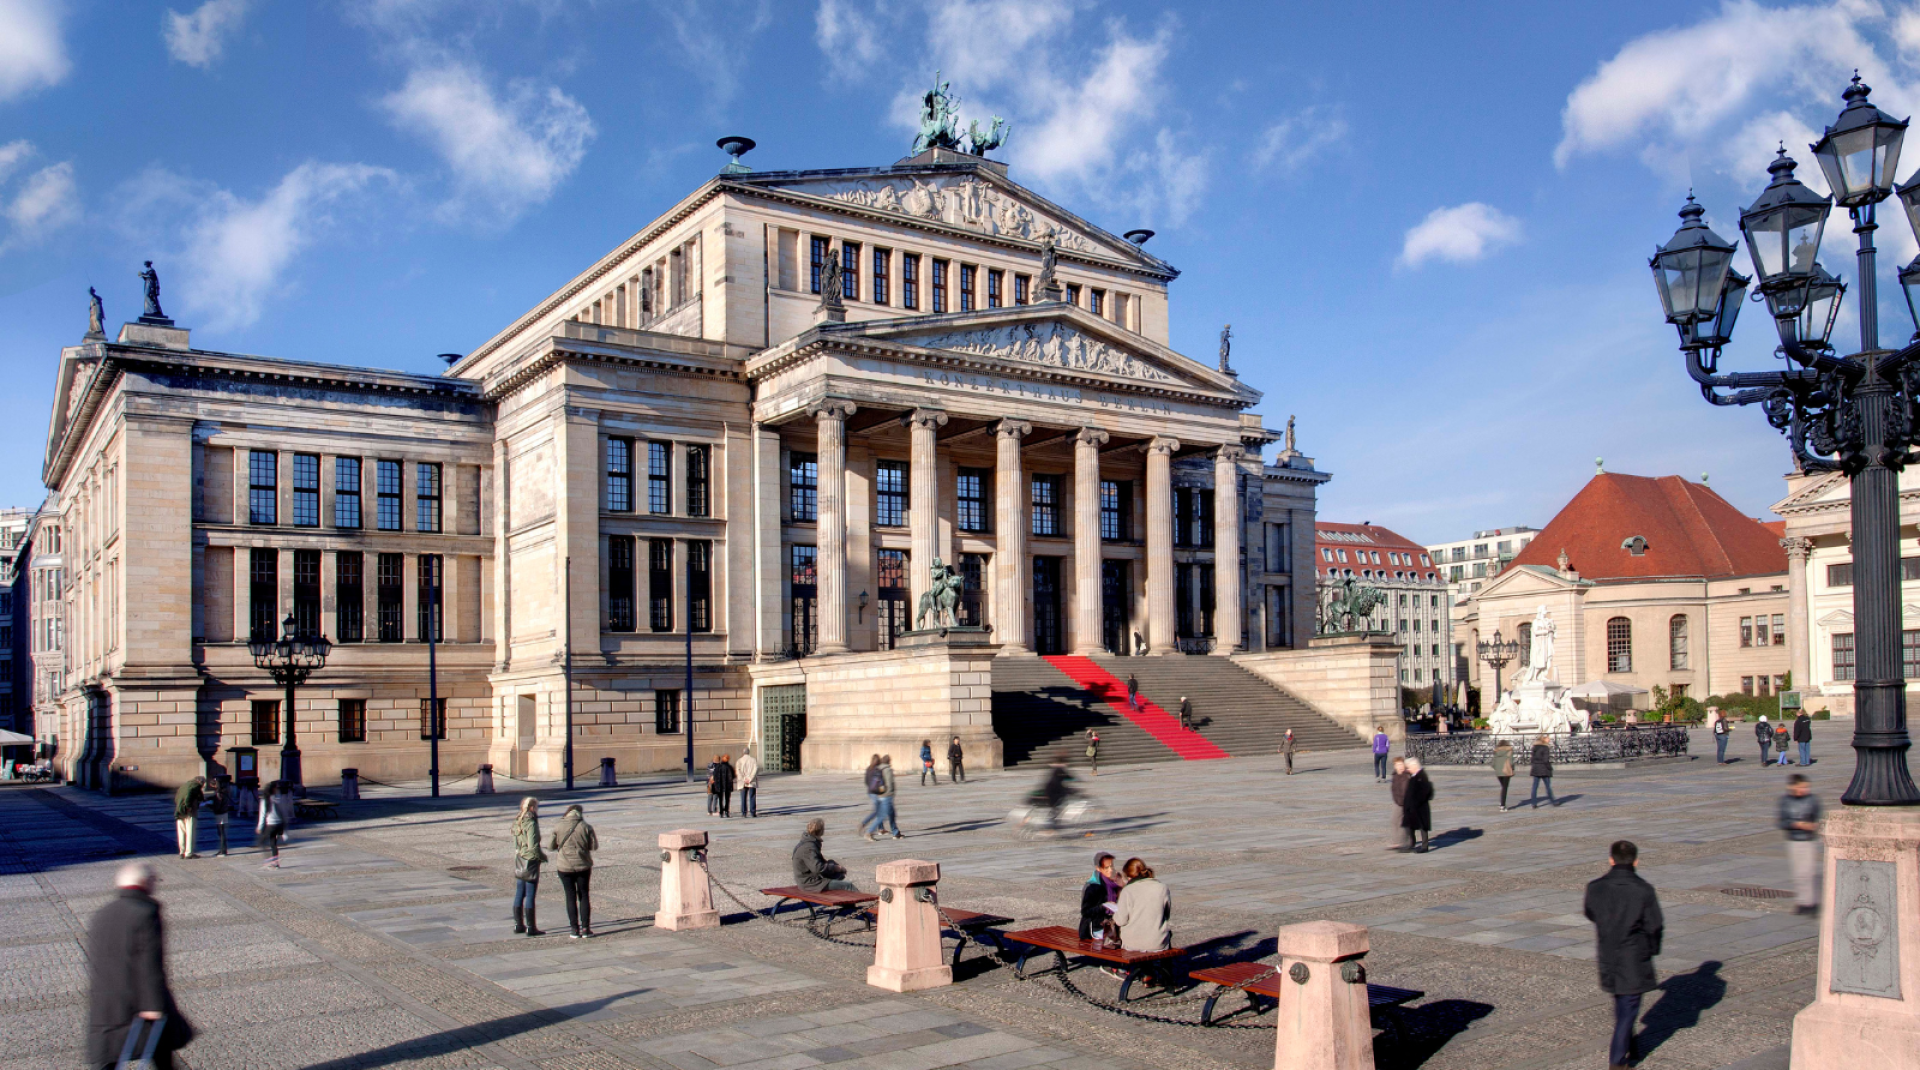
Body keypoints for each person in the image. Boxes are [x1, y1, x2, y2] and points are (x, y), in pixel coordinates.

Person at [86, 862, 194, 1070]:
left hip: (107, 1003)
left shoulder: (102, 914)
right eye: (154, 880)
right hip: (139, 1003)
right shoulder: (145, 912)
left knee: (109, 1057)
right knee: (160, 1053)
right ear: (145, 882)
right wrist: (153, 1005)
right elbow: (149, 963)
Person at [1584, 840, 1664, 1070]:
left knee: (1622, 1001)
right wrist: (1652, 949)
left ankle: (1630, 1043)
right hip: (1633, 955)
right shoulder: (1643, 890)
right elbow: (1655, 925)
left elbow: (1591, 912)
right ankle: (1617, 1061)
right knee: (1627, 1005)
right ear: (1636, 861)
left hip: (1608, 952)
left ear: (1611, 859)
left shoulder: (1595, 886)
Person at [547, 803, 598, 938]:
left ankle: (574, 929)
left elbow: (550, 846)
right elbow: (594, 846)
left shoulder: (558, 826)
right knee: (584, 895)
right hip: (583, 866)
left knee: (570, 896)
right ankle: (586, 928)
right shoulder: (586, 827)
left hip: (564, 866)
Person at [1779, 774, 1822, 915]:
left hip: (1808, 839)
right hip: (1794, 839)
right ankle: (1802, 902)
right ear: (1792, 787)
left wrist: (1813, 825)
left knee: (1808, 872)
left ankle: (1810, 902)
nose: (1804, 790)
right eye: (1801, 787)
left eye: (1806, 787)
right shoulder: (1786, 801)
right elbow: (1782, 821)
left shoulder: (1812, 800)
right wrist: (1797, 824)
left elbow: (1818, 818)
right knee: (1798, 873)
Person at [1112, 858, 1172, 951]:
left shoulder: (1127, 890)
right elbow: (1166, 914)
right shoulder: (1162, 887)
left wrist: (1114, 915)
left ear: (1128, 876)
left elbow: (1121, 921)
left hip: (1132, 944)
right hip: (1158, 942)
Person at [512, 797, 546, 936]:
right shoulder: (531, 822)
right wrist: (542, 858)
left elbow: (515, 844)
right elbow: (533, 846)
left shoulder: (517, 820)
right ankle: (531, 927)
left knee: (520, 892)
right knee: (531, 893)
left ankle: (519, 924)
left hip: (519, 858)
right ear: (532, 807)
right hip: (530, 860)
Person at [793, 818, 856, 892]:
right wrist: (836, 868)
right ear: (821, 831)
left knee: (835, 870)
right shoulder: (808, 847)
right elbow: (818, 868)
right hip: (810, 883)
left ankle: (844, 901)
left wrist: (833, 866)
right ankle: (861, 900)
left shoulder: (808, 841)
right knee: (848, 885)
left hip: (808, 880)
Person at [1078, 852, 1122, 942]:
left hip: (1111, 924)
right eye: (1106, 867)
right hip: (1095, 927)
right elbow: (1085, 912)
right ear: (1098, 868)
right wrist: (1103, 907)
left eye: (1111, 866)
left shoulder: (1114, 883)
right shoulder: (1093, 886)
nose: (1110, 870)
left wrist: (1121, 885)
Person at [1400, 757, 1434, 853]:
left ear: (1414, 766)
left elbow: (1425, 791)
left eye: (1409, 767)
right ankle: (1412, 843)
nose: (1408, 770)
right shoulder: (1414, 776)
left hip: (1420, 807)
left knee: (1423, 827)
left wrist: (1416, 802)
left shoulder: (1421, 776)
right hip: (1411, 807)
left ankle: (1424, 846)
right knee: (1409, 825)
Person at [172, 776, 204, 859]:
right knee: (190, 833)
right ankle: (189, 853)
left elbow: (176, 798)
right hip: (189, 812)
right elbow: (190, 795)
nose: (203, 786)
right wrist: (188, 806)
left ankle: (182, 852)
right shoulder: (195, 786)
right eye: (203, 784)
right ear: (200, 782)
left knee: (181, 832)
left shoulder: (184, 785)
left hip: (179, 811)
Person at [256, 781, 286, 868]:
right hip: (279, 824)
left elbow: (262, 815)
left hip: (271, 824)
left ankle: (270, 859)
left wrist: (260, 827)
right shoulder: (277, 799)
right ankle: (275, 862)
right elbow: (283, 812)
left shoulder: (265, 800)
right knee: (273, 843)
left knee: (262, 842)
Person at [871, 755, 902, 840]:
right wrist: (890, 794)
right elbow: (889, 783)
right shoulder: (887, 769)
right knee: (890, 814)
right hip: (886, 795)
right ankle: (895, 833)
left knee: (882, 813)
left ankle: (881, 829)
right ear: (889, 761)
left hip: (878, 794)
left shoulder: (877, 768)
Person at [858, 754, 887, 840]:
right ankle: (865, 824)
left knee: (878, 811)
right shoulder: (878, 770)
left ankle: (880, 829)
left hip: (870, 792)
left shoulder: (868, 769)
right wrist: (882, 792)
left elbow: (866, 781)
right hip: (877, 793)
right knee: (878, 812)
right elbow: (881, 783)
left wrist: (870, 788)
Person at [1388, 757, 1411, 850]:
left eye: (1401, 764)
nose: (1400, 767)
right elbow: (1393, 789)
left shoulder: (1407, 776)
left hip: (1405, 802)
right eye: (1398, 765)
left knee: (1403, 822)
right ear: (1395, 766)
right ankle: (1395, 841)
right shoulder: (1395, 775)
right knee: (1394, 820)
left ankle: (1404, 841)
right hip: (1397, 801)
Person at [206, 776, 232, 857]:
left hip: (220, 813)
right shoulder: (224, 791)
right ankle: (223, 849)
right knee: (222, 832)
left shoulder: (219, 793)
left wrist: (210, 806)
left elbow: (217, 805)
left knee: (221, 832)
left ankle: (223, 850)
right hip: (224, 812)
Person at [1529, 735, 1557, 808]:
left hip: (1536, 768)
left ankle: (1534, 803)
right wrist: (1549, 768)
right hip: (1544, 769)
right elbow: (1545, 760)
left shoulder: (1534, 747)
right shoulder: (1545, 748)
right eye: (1548, 738)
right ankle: (1553, 801)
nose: (1549, 740)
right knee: (1548, 786)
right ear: (1544, 739)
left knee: (1535, 786)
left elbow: (1532, 759)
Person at [1492, 738, 1516, 812]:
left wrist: (1497, 768)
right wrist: (1513, 769)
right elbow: (1511, 762)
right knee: (1505, 788)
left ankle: (1501, 802)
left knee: (1503, 787)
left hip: (1498, 772)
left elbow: (1493, 763)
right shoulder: (1509, 751)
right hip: (1506, 771)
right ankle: (1502, 805)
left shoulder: (1496, 751)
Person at [736, 746, 759, 818]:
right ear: (749, 752)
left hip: (742, 782)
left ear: (743, 753)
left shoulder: (739, 761)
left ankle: (744, 812)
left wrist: (743, 779)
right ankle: (753, 812)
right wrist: (750, 778)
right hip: (751, 781)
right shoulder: (753, 760)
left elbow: (738, 771)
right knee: (752, 796)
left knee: (743, 797)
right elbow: (755, 770)